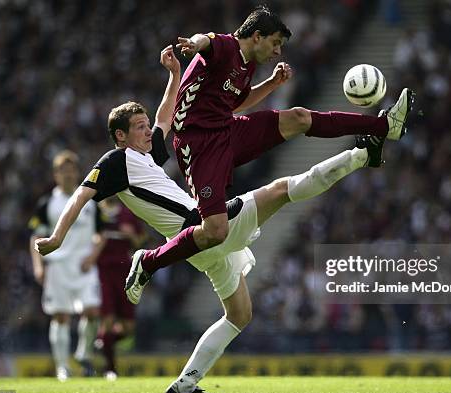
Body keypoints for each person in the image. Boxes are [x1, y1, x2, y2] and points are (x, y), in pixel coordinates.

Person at [34, 45, 407, 393]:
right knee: (280, 189)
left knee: (240, 314)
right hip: (201, 227)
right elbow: (81, 195)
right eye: (139, 127)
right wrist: (56, 237)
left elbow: (167, 114)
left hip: (200, 244)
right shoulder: (115, 162)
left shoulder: (146, 157)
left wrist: (174, 74)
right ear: (120, 136)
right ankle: (362, 153)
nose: (149, 131)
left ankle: (185, 383)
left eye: (146, 125)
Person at [120, 5, 414, 284]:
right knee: (215, 231)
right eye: (275, 43)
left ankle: (385, 126)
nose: (277, 51)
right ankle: (148, 263)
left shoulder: (246, 65)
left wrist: (272, 84)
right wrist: (195, 45)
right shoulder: (228, 46)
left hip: (227, 130)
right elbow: (206, 41)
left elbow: (236, 103)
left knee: (298, 117)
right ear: (256, 36)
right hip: (198, 146)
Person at [29, 150, 104, 381]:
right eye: (64, 170)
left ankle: (83, 353)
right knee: (60, 317)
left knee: (91, 311)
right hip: (58, 267)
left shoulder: (90, 201)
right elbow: (35, 236)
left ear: (77, 173)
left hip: (84, 265)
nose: (69, 175)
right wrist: (38, 266)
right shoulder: (47, 203)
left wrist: (93, 256)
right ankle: (63, 367)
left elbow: (101, 234)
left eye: (72, 170)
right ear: (56, 175)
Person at [95, 196, 146, 379]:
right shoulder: (95, 212)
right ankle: (111, 368)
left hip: (125, 271)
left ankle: (102, 342)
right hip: (102, 272)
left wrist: (131, 235)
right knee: (107, 320)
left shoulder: (127, 213)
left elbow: (140, 242)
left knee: (128, 328)